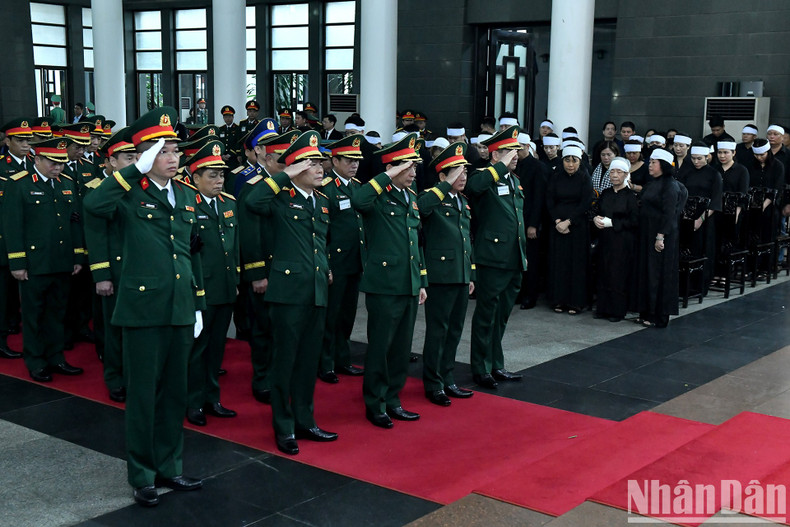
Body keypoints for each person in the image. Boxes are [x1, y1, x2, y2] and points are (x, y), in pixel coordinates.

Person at [83, 107, 206, 507]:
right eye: (164, 150)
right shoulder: (126, 190)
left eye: (175, 150)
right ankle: (142, 473)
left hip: (179, 306)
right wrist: (134, 171)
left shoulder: (186, 193)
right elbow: (94, 206)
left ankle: (170, 465)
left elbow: (187, 253)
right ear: (145, 155)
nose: (174, 157)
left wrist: (197, 302)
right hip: (141, 307)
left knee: (175, 392)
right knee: (142, 395)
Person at [246, 130, 337, 454]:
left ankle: (305, 420)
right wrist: (284, 175)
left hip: (315, 291)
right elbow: (251, 202)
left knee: (308, 361)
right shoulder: (279, 196)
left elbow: (321, 241)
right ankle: (283, 427)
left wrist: (324, 266)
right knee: (284, 362)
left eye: (320, 162)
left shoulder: (322, 199)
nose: (320, 167)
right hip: (287, 293)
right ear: (296, 166)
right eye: (312, 163)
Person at [352, 132, 427, 429]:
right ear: (393, 168)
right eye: (407, 168)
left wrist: (421, 280)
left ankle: (393, 399)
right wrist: (389, 174)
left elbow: (415, 242)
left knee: (400, 348)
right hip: (384, 284)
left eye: (413, 168)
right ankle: (375, 402)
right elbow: (359, 200)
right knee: (381, 346)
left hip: (407, 282)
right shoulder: (377, 195)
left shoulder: (411, 197)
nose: (413, 173)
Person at [6, 131, 85, 376]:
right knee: (33, 315)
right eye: (52, 162)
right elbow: (12, 225)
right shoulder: (20, 184)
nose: (57, 167)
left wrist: (77, 256)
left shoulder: (67, 183)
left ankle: (56, 356)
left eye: (61, 162)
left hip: (61, 260)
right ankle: (36, 361)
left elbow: (74, 223)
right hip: (35, 262)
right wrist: (17, 262)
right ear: (37, 159)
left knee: (57, 313)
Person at [237, 129, 299, 404]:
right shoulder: (254, 184)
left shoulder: (290, 183)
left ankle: (281, 375)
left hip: (290, 269)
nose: (289, 167)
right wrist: (257, 273)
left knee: (284, 329)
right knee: (262, 328)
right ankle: (262, 377)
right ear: (270, 159)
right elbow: (250, 233)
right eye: (283, 162)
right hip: (265, 269)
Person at [466, 126, 527, 389]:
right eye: (508, 151)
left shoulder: (513, 180)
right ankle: (481, 367)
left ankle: (495, 364)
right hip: (492, 256)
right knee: (486, 314)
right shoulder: (485, 176)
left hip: (513, 256)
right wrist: (499, 166)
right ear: (494, 155)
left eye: (516, 150)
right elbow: (474, 187)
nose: (515, 155)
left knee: (501, 315)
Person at [185, 140, 239, 426]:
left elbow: (235, 246)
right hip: (199, 289)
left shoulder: (228, 204)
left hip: (225, 287)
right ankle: (193, 401)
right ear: (195, 177)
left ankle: (212, 398)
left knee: (217, 347)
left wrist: (237, 279)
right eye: (212, 175)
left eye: (221, 175)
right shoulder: (186, 205)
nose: (219, 180)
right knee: (197, 349)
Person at [418, 142, 476, 406]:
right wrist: (444, 185)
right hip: (440, 276)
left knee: (454, 330)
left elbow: (466, 239)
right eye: (456, 173)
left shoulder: (461, 201)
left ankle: (448, 377)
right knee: (437, 331)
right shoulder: (433, 196)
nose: (462, 177)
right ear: (442, 176)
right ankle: (433, 383)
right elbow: (421, 208)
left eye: (464, 172)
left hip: (460, 274)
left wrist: (471, 272)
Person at [83, 127, 136, 402]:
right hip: (114, 271)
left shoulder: (141, 188)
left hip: (139, 270)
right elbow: (96, 235)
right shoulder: (100, 191)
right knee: (114, 330)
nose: (135, 163)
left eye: (137, 157)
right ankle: (115, 378)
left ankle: (135, 375)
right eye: (128, 158)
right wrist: (102, 274)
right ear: (112, 162)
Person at [318, 134, 366, 383]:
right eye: (349, 160)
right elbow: (322, 232)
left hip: (354, 261)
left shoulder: (357, 187)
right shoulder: (326, 189)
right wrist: (325, 264)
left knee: (348, 314)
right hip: (335, 262)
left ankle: (343, 358)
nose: (354, 164)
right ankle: (325, 362)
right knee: (331, 315)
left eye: (356, 160)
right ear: (334, 161)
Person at [636, 149, 686, 329]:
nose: (650, 165)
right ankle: (646, 311)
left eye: (653, 163)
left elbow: (669, 214)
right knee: (647, 273)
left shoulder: (670, 186)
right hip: (647, 233)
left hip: (661, 235)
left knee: (659, 274)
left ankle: (659, 315)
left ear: (663, 165)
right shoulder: (652, 183)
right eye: (649, 162)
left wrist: (660, 236)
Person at [545, 145, 593, 315]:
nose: (570, 164)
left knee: (576, 265)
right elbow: (550, 199)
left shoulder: (584, 178)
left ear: (580, 161)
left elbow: (586, 202)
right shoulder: (556, 176)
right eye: (567, 160)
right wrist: (558, 221)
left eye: (574, 161)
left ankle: (576, 302)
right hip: (557, 225)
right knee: (559, 263)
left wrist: (569, 221)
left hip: (577, 226)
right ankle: (558, 300)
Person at [593, 157, 638, 322]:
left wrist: (614, 222)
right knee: (603, 271)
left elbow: (634, 221)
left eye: (619, 172)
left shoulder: (631, 196)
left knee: (618, 274)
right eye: (612, 171)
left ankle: (617, 310)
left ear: (626, 174)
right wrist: (596, 219)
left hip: (622, 241)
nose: (615, 175)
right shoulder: (606, 193)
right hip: (605, 239)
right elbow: (596, 210)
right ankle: (603, 308)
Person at [678, 142, 723, 291]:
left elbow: (716, 200)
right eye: (693, 158)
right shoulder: (687, 172)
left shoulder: (714, 174)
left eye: (699, 158)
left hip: (705, 218)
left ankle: (701, 285)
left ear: (707, 157)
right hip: (687, 216)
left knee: (703, 248)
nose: (696, 162)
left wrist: (701, 219)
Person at [748, 138, 785, 243]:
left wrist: (764, 204)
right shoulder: (750, 165)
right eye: (756, 155)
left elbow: (776, 188)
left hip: (770, 206)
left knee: (767, 236)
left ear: (768, 152)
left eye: (762, 155)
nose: (759, 158)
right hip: (752, 204)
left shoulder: (778, 166)